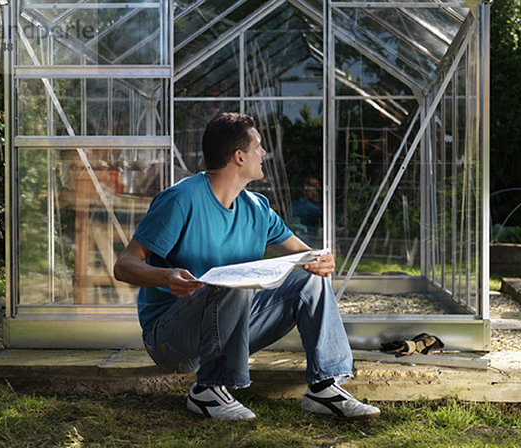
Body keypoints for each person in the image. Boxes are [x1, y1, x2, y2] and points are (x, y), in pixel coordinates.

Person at [114, 113, 380, 421]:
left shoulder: (257, 208)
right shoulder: (180, 200)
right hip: (171, 340)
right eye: (259, 146)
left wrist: (320, 260)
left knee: (310, 281)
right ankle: (208, 391)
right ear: (239, 157)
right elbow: (125, 265)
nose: (264, 153)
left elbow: (304, 253)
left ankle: (324, 386)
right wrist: (166, 275)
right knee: (230, 285)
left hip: (228, 330)